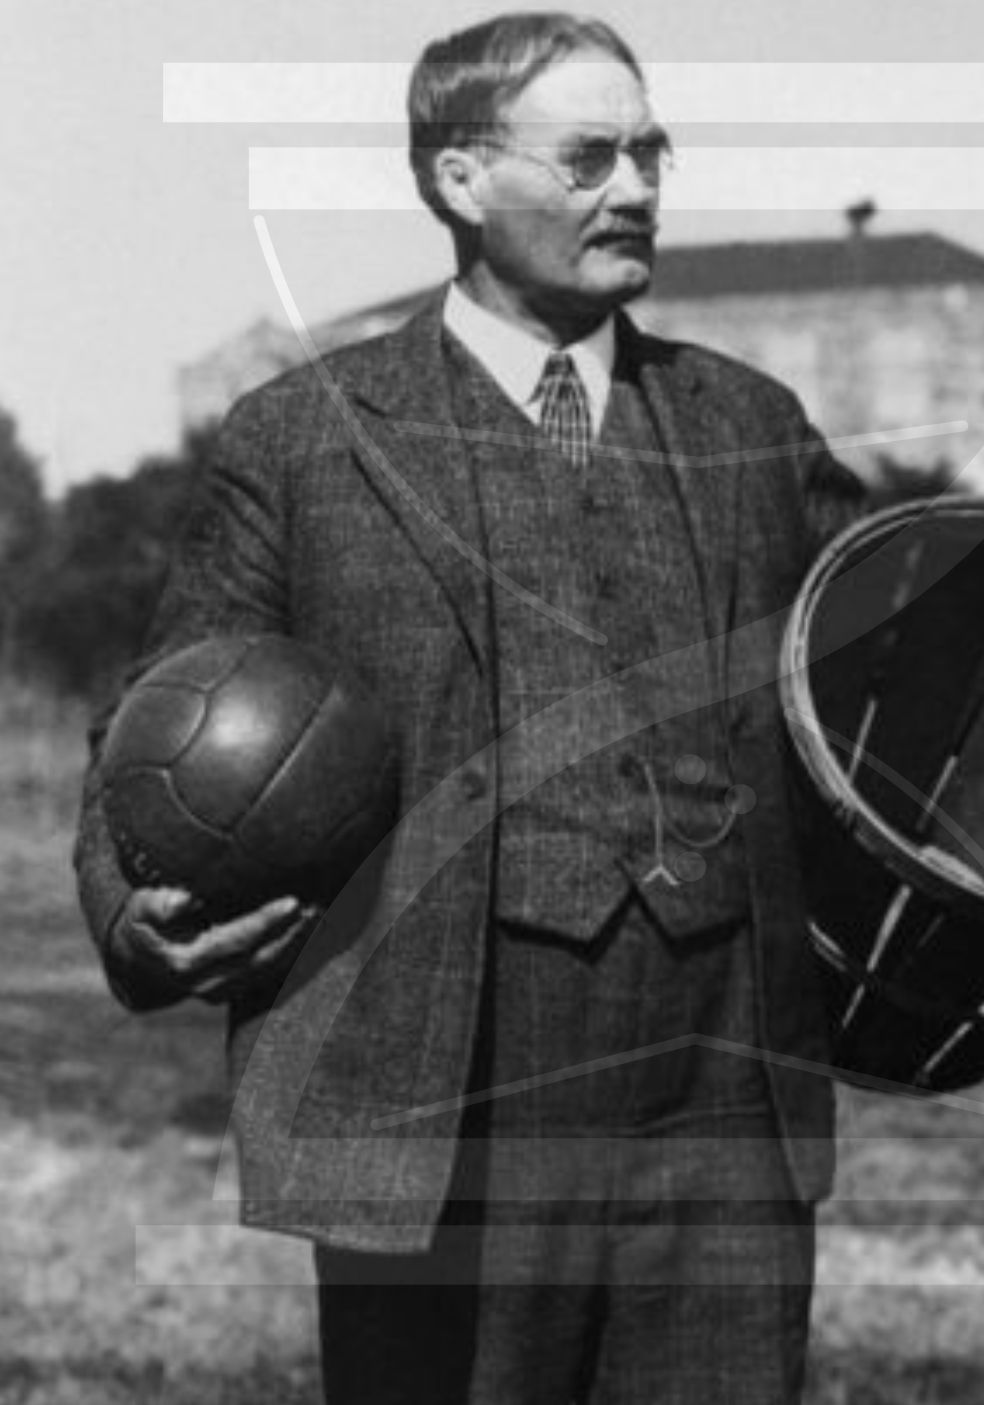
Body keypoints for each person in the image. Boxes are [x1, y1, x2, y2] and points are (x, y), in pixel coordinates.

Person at [74, 12, 866, 1404]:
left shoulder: (752, 427)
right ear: (458, 176)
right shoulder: (304, 439)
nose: (636, 188)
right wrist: (129, 911)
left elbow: (891, 694)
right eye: (588, 157)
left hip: (722, 1112)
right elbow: (156, 725)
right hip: (434, 1100)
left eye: (651, 153)